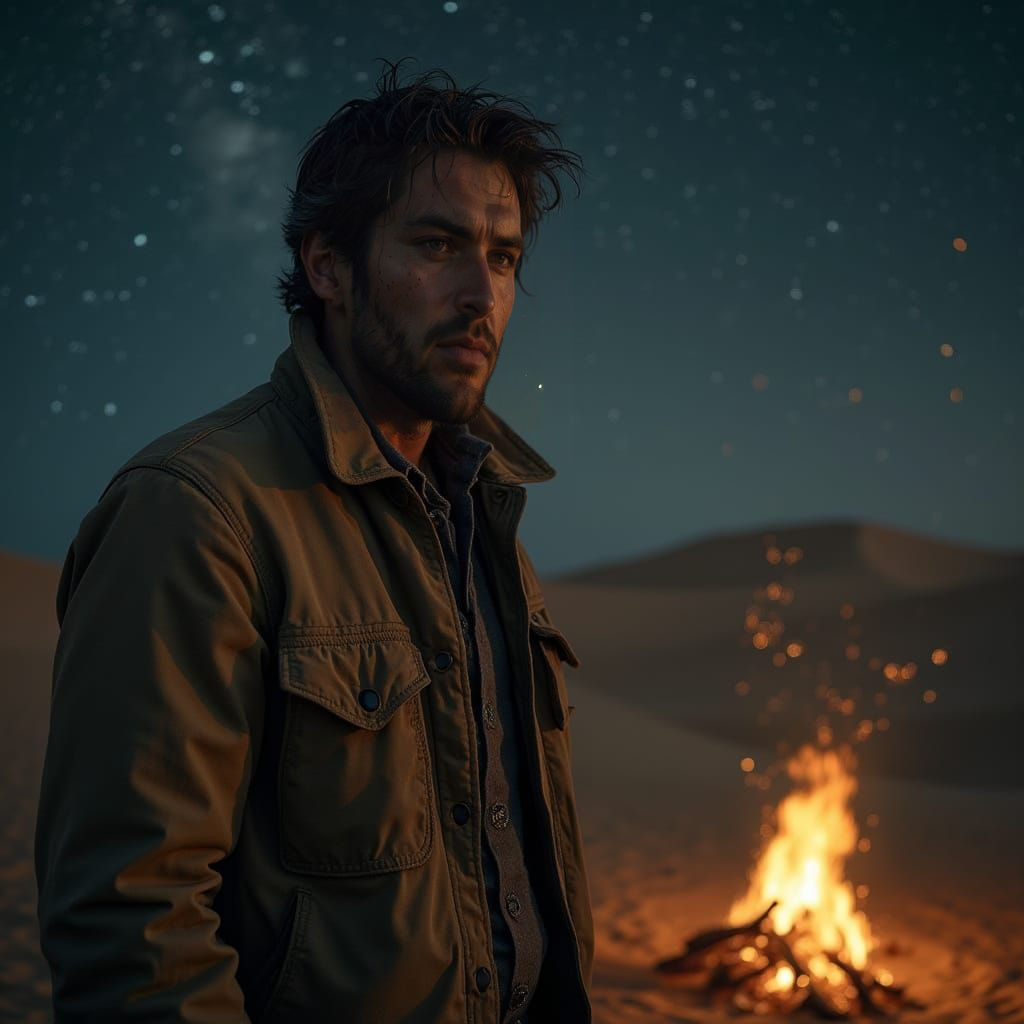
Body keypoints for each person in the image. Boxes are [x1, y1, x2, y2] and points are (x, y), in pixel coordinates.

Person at [34, 63, 592, 1023]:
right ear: (328, 264)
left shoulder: (483, 512)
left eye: (502, 258)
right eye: (437, 244)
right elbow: (133, 924)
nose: (480, 294)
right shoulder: (200, 511)